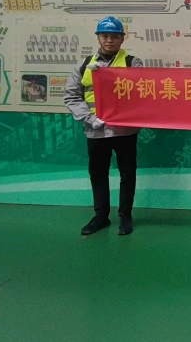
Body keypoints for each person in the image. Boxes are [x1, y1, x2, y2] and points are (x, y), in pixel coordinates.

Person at [64, 16, 144, 236]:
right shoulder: (84, 65)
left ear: (122, 38)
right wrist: (89, 118)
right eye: (105, 36)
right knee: (98, 174)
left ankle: (125, 217)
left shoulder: (133, 63)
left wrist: (108, 77)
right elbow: (72, 96)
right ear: (98, 38)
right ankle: (100, 216)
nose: (109, 40)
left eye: (114, 36)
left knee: (128, 174)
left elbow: (140, 93)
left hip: (125, 130)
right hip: (96, 130)